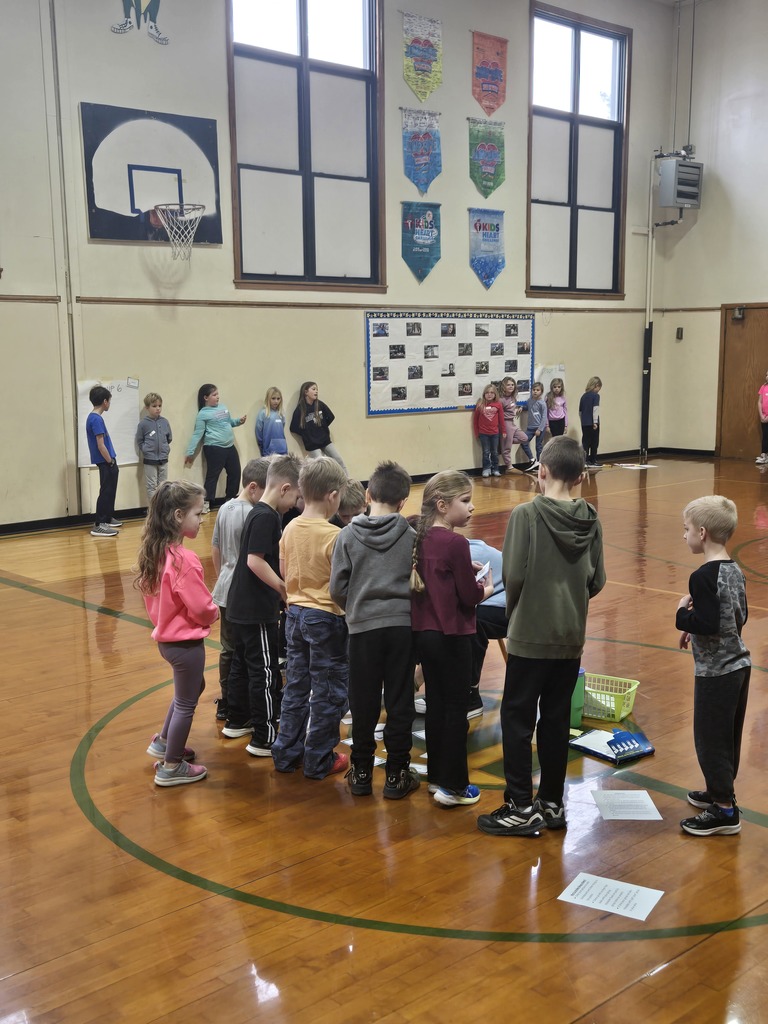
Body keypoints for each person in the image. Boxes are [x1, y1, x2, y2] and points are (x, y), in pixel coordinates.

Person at [477, 436, 605, 836]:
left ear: (541, 471)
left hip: (530, 634)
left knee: (516, 718)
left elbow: (512, 575)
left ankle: (518, 805)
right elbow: (597, 580)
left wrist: (517, 611)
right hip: (570, 636)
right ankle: (551, 803)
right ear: (581, 476)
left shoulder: (527, 515)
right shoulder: (592, 518)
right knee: (554, 720)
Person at [330, 461, 419, 799]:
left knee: (363, 700)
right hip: (401, 627)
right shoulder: (411, 535)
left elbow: (337, 587)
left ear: (367, 494)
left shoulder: (348, 535)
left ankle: (362, 772)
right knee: (400, 701)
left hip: (363, 629)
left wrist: (355, 609)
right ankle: (396, 775)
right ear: (403, 502)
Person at [411, 471, 493, 807]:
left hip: (424, 635)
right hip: (453, 636)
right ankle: (455, 787)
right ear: (443, 505)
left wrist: (464, 570)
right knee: (456, 709)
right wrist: (485, 588)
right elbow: (468, 597)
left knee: (436, 706)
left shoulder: (420, 536)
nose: (472, 507)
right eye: (465, 501)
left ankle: (436, 777)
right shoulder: (457, 543)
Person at [271, 457, 351, 779]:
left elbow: (284, 570)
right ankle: (319, 758)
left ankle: (285, 752)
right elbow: (341, 585)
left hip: (294, 614)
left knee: (296, 686)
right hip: (326, 617)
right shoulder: (335, 535)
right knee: (329, 691)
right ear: (333, 496)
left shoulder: (290, 527)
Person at [676, 495, 750, 836]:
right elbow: (737, 617)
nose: (685, 535)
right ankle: (721, 792)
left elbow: (705, 622)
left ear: (702, 533)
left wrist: (682, 615)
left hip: (715, 672)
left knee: (709, 739)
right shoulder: (734, 570)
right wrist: (700, 627)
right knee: (727, 735)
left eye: (687, 529)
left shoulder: (702, 576)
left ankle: (724, 811)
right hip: (739, 665)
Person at [136, 480, 218, 786]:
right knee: (186, 702)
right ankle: (171, 766)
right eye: (198, 513)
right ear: (178, 516)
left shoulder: (157, 553)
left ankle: (164, 741)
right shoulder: (185, 560)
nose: (202, 518)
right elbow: (200, 606)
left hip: (168, 641)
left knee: (193, 688)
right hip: (186, 644)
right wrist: (214, 611)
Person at [221, 454, 302, 758]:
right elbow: (254, 561)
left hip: (241, 606)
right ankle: (264, 736)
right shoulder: (266, 516)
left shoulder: (259, 512)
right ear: (283, 488)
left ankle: (237, 719)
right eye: (295, 495)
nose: (295, 503)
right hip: (255, 610)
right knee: (265, 671)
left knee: (242, 665)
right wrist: (282, 589)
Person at [210, 457, 271, 721]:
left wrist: (222, 575)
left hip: (224, 586)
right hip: (243, 592)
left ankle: (226, 700)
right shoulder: (252, 513)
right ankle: (238, 700)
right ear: (254, 487)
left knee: (228, 648)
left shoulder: (224, 508)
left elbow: (216, 548)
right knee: (244, 650)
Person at [184, 384, 247, 513]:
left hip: (229, 446)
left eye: (217, 394)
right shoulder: (203, 414)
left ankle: (230, 499)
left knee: (235, 472)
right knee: (213, 476)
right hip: (214, 447)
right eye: (214, 395)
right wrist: (190, 452)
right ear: (206, 398)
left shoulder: (223, 407)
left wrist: (238, 421)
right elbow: (198, 434)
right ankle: (206, 503)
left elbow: (228, 421)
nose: (217, 397)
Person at [86, 385, 122, 538]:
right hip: (105, 461)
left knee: (110, 489)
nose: (109, 404)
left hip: (108, 460)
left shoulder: (95, 418)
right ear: (105, 401)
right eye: (109, 401)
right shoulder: (96, 419)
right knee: (106, 491)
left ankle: (107, 518)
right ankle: (100, 524)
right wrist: (110, 461)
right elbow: (101, 445)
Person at [290, 381, 347, 470]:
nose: (316, 391)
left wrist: (322, 428)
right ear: (305, 392)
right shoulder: (300, 409)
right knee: (321, 466)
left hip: (325, 441)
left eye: (317, 389)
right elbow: (293, 427)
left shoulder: (319, 404)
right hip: (312, 444)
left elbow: (331, 417)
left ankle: (347, 482)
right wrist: (307, 434)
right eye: (313, 389)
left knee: (339, 460)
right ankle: (322, 483)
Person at [135, 392, 173, 504]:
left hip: (163, 458)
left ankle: (163, 508)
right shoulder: (143, 424)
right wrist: (146, 449)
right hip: (150, 460)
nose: (158, 408)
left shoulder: (165, 422)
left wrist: (165, 448)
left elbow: (169, 438)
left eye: (160, 406)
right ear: (147, 407)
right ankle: (154, 509)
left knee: (164, 486)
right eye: (154, 406)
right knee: (151, 486)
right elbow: (140, 440)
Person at [499, 376, 534, 471]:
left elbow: (511, 408)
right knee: (507, 448)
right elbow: (500, 414)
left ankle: (503, 443)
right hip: (506, 424)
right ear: (503, 386)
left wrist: (517, 409)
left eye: (512, 384)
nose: (511, 386)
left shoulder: (513, 397)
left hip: (512, 423)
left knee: (524, 438)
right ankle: (509, 467)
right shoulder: (501, 399)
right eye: (508, 385)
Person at [473, 384, 505, 478]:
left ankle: (495, 468)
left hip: (495, 433)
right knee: (486, 452)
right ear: (484, 394)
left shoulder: (498, 404)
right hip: (483, 433)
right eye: (487, 392)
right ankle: (486, 468)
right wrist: (476, 433)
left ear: (495, 394)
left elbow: (501, 419)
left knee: (495, 452)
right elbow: (475, 420)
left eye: (492, 393)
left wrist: (504, 431)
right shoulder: (480, 404)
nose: (489, 395)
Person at [255, 387, 289, 456]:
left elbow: (282, 427)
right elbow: (258, 431)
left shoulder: (281, 414)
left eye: (278, 399)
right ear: (268, 399)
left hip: (282, 449)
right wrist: (262, 445)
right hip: (268, 451)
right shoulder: (263, 413)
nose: (276, 401)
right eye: (273, 398)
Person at [578, 376, 602, 469]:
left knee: (585, 442)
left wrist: (583, 421)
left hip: (584, 423)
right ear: (596, 386)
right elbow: (595, 409)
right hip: (593, 423)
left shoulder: (583, 396)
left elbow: (580, 412)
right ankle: (593, 460)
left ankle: (584, 461)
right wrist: (595, 422)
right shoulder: (596, 396)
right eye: (599, 388)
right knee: (594, 442)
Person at [525, 382, 548, 465]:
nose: (535, 391)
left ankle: (540, 463)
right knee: (524, 442)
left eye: (537, 390)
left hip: (540, 428)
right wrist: (520, 407)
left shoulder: (542, 404)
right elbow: (526, 406)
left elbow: (544, 417)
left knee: (538, 446)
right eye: (533, 390)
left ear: (541, 392)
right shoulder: (529, 400)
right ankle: (532, 459)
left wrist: (539, 429)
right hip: (530, 427)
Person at [756, 370, 768, 464]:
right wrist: (761, 415)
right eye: (767, 374)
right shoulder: (763, 387)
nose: (767, 376)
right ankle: (764, 455)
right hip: (763, 417)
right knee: (765, 436)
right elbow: (759, 402)